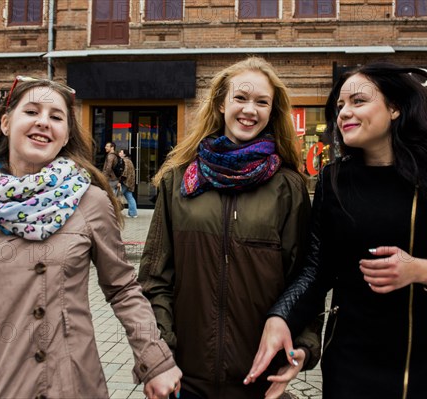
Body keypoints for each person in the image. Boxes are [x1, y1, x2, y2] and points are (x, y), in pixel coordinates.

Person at [245, 62, 427, 399]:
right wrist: (281, 316)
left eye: (358, 101)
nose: (344, 113)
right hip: (349, 365)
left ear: (395, 108)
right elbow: (316, 270)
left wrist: (423, 270)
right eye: (340, 106)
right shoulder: (333, 180)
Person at [0, 76, 181, 399]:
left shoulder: (90, 202)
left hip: (70, 385)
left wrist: (155, 360)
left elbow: (123, 290)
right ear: (6, 123)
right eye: (32, 111)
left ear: (65, 136)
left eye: (56, 117)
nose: (43, 123)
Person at [138, 57, 323, 399]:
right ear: (222, 103)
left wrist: (303, 347)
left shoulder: (288, 187)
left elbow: (305, 279)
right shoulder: (178, 179)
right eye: (241, 98)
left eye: (261, 102)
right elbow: (154, 279)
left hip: (259, 382)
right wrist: (160, 356)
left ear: (272, 111)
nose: (249, 109)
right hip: (183, 379)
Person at [118, 148, 138, 218]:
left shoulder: (125, 161)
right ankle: (133, 213)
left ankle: (114, 212)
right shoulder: (129, 161)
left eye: (121, 152)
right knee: (130, 197)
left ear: (124, 154)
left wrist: (120, 181)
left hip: (125, 182)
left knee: (116, 196)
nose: (119, 153)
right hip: (129, 182)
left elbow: (125, 172)